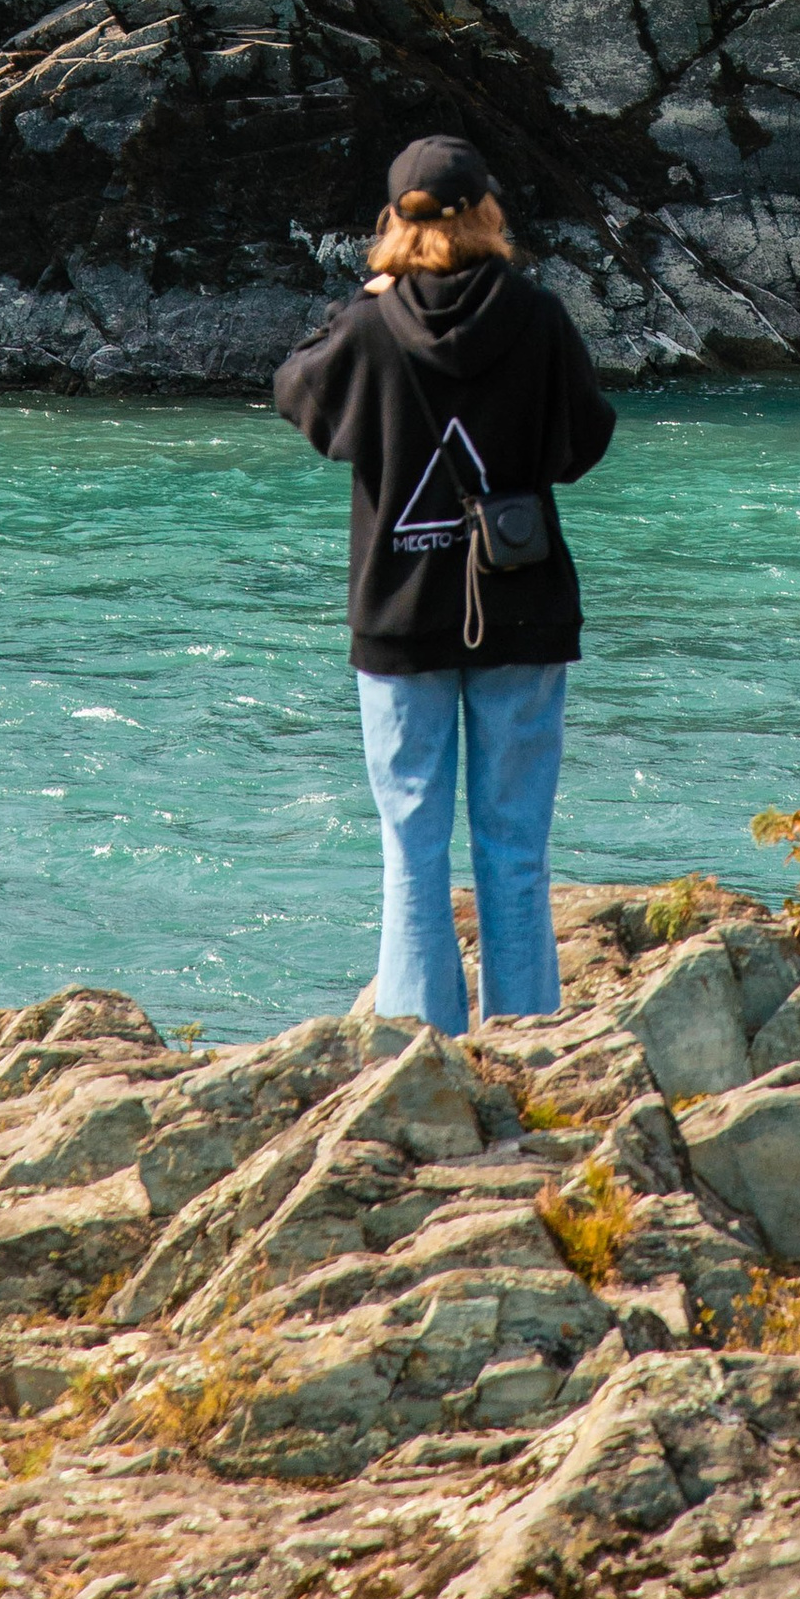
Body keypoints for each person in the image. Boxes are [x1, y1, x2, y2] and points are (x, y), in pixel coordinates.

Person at [274, 135, 616, 1033]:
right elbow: (585, 443)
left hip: (399, 616)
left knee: (410, 849)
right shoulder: (537, 317)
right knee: (516, 849)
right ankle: (532, 1038)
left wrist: (365, 299)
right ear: (487, 214)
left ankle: (418, 1047)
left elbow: (294, 394)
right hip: (524, 609)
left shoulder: (366, 325)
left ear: (395, 222)